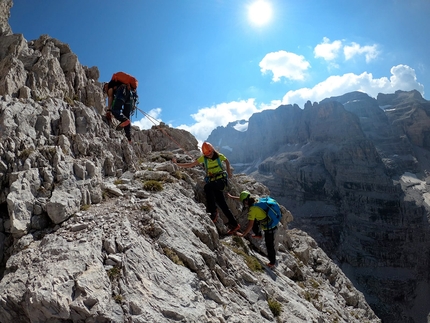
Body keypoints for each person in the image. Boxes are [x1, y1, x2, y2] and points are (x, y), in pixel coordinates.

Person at [173, 142, 240, 235]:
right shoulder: (203, 158)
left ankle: (213, 211)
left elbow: (227, 161)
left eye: (210, 154)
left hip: (221, 181)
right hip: (214, 182)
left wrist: (229, 172)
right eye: (207, 155)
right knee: (222, 204)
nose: (209, 156)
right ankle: (234, 224)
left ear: (212, 150)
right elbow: (191, 164)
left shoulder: (219, 156)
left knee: (207, 187)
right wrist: (178, 165)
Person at [229, 190, 277, 268]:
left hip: (270, 226)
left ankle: (272, 262)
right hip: (267, 219)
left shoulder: (252, 210)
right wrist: (232, 197)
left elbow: (250, 225)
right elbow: (242, 199)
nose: (244, 203)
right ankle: (258, 234)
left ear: (246, 201)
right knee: (255, 221)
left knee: (269, 244)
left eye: (244, 202)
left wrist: (243, 234)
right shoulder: (255, 199)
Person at [103, 76, 133, 142]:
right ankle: (129, 138)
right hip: (130, 95)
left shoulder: (110, 87)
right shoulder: (116, 84)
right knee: (126, 116)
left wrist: (108, 110)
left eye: (104, 89)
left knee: (115, 109)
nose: (105, 90)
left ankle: (123, 120)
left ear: (106, 86)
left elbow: (110, 98)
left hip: (122, 91)